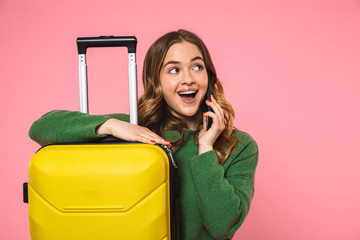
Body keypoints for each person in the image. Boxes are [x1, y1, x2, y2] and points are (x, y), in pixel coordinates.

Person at [29, 29, 258, 240]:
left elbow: (223, 226)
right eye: (174, 70)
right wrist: (111, 126)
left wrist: (206, 147)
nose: (188, 79)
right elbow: (41, 128)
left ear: (209, 77)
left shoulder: (239, 146)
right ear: (156, 81)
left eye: (197, 67)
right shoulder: (139, 130)